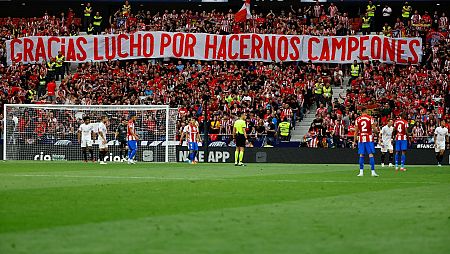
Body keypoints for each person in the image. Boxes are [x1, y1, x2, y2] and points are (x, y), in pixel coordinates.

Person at [354, 112, 379, 177]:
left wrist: (354, 141)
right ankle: (373, 172)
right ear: (366, 111)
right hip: (369, 138)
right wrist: (377, 132)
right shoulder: (370, 118)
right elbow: (374, 129)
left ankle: (361, 172)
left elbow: (356, 131)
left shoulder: (358, 119)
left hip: (361, 138)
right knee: (370, 154)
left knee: (361, 154)